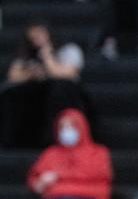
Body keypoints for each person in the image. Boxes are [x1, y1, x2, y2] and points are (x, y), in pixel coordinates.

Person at [1, 19, 88, 151]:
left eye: (40, 35)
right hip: (38, 98)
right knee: (11, 92)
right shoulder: (27, 55)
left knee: (58, 90)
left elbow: (66, 74)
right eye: (33, 37)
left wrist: (47, 56)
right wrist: (31, 73)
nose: (37, 40)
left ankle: (53, 138)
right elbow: (13, 77)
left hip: (65, 94)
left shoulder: (69, 50)